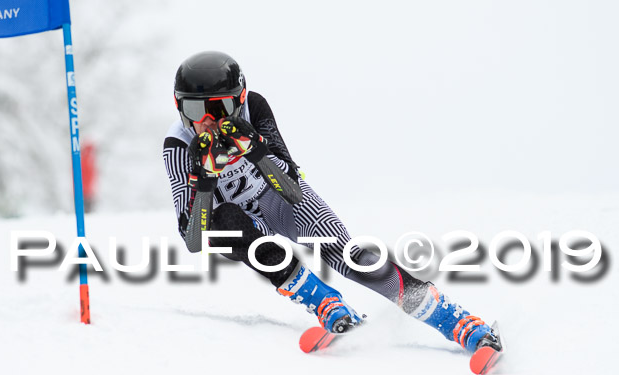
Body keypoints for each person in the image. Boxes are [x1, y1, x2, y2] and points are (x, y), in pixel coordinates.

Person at [162, 51, 501, 352]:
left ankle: (457, 322)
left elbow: (292, 190)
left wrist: (256, 150)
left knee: (351, 258)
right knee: (227, 225)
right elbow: (194, 239)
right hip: (240, 220)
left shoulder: (255, 108)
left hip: (279, 200)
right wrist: (204, 179)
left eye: (219, 107)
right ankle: (324, 301)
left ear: (240, 100)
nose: (208, 121)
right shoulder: (178, 145)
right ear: (180, 107)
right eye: (195, 109)